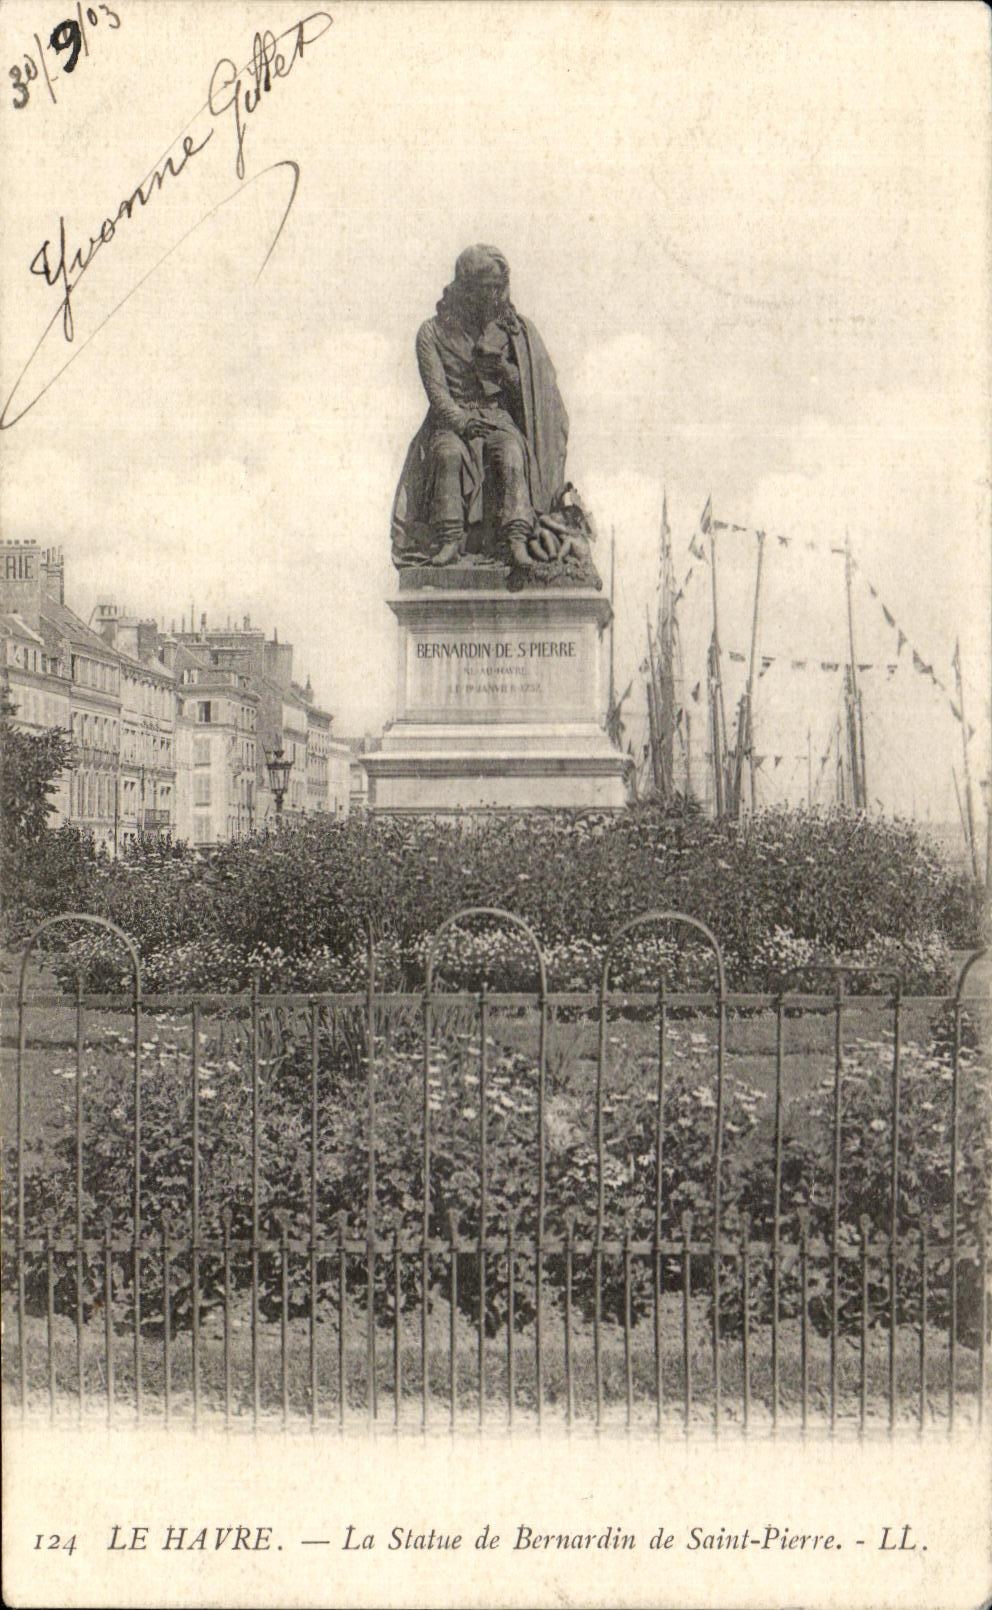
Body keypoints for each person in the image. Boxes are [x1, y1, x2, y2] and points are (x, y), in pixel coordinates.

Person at [391, 246, 569, 567]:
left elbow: (530, 392)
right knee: (447, 455)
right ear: (467, 288)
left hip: (497, 419)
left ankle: (516, 538)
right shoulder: (430, 332)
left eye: (500, 287)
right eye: (489, 288)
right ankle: (449, 541)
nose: (497, 296)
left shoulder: (511, 331)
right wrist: (462, 422)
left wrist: (502, 368)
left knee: (511, 452)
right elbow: (437, 393)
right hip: (450, 422)